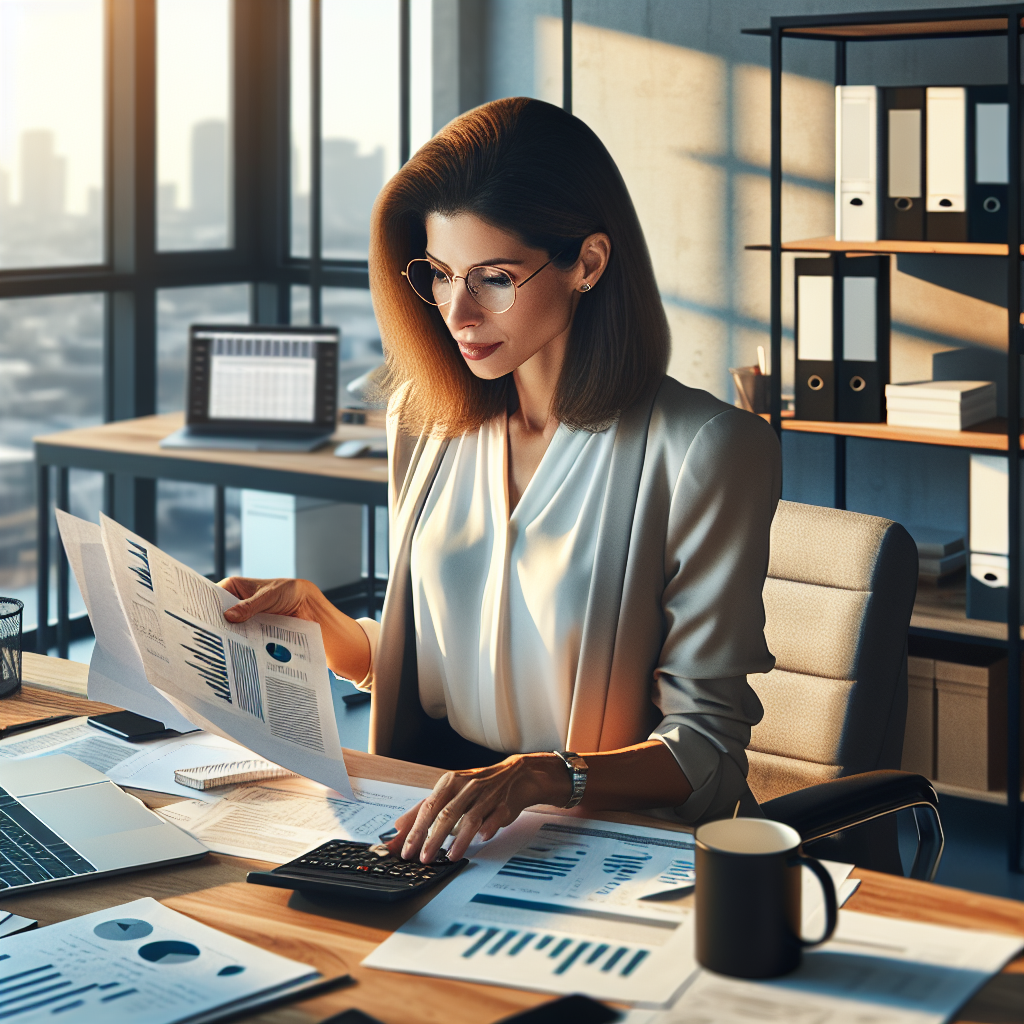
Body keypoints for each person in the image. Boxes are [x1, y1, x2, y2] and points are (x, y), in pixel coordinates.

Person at [220, 97, 781, 867]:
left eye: (492, 278)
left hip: (612, 845)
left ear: (587, 263)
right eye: (440, 274)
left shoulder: (706, 449)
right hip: (436, 820)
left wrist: (544, 777)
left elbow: (707, 751)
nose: (457, 312)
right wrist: (331, 633)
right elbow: (463, 662)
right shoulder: (425, 420)